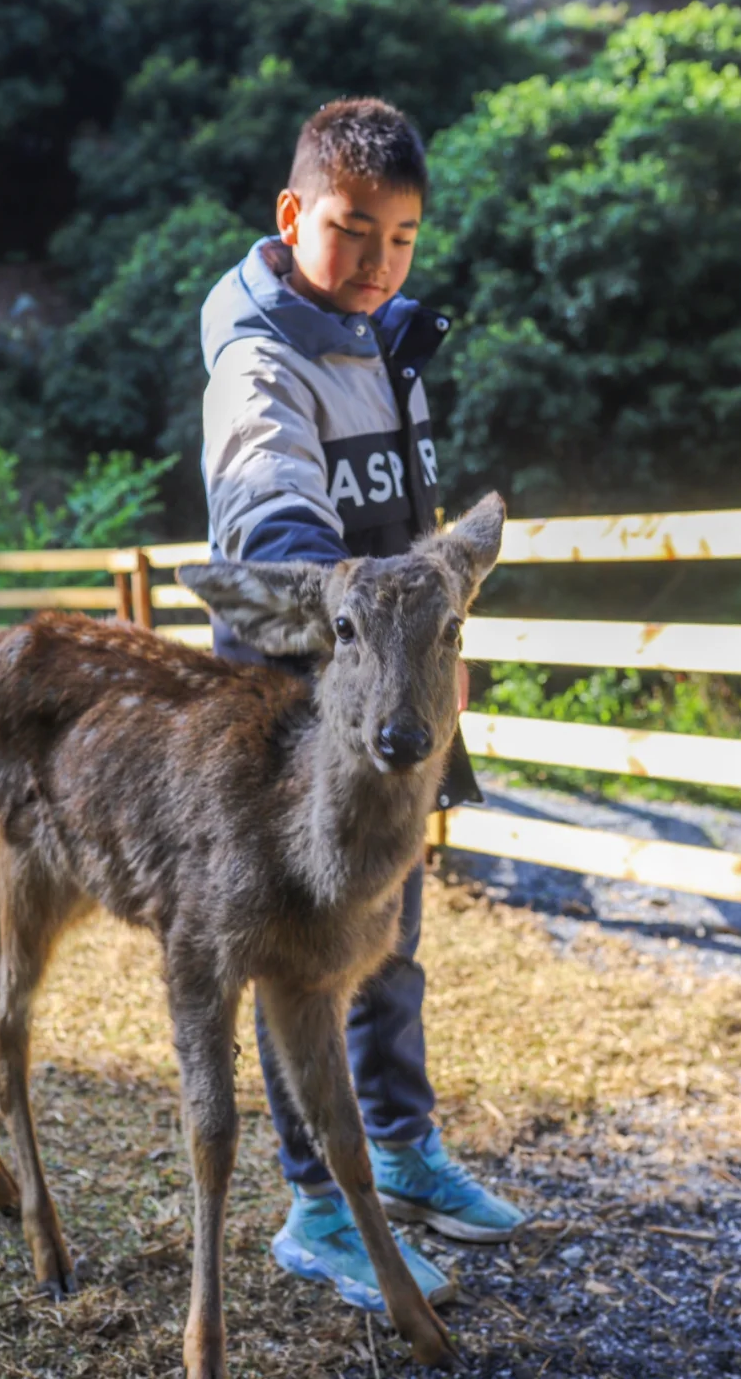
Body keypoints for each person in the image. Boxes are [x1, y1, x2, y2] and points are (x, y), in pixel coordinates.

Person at [199, 97, 524, 1312]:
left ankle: (398, 1147)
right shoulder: (260, 357)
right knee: (307, 960)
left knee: (393, 949)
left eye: (403, 237)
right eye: (352, 231)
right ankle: (318, 1206)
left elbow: (407, 526)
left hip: (400, 707)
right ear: (293, 216)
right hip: (297, 717)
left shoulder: (388, 340)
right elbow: (269, 490)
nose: (380, 261)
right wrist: (319, 569)